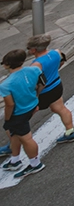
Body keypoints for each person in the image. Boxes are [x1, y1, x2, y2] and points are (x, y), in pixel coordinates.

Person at [23, 35, 74, 146]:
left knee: (22, 118)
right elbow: (62, 62)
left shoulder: (36, 65)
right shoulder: (56, 52)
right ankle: (70, 132)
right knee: (60, 109)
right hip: (57, 86)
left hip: (44, 93)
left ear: (34, 50)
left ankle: (12, 145)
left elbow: (37, 84)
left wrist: (35, 96)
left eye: (29, 48)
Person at [1, 49, 42, 180]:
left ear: (7, 64)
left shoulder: (5, 84)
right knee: (15, 133)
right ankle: (15, 160)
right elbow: (42, 83)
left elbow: (10, 105)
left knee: (26, 138)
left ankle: (35, 164)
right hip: (31, 106)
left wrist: (7, 119)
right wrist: (36, 98)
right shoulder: (33, 70)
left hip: (18, 113)